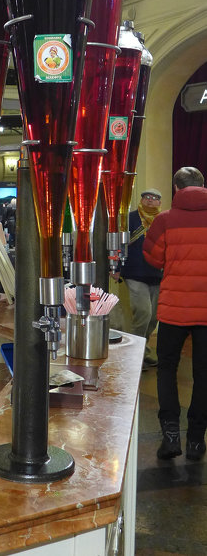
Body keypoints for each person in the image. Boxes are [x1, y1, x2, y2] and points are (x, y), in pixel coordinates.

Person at [143, 166, 207, 461]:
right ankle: (196, 440)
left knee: (166, 370)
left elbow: (153, 258)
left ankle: (170, 437)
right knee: (203, 375)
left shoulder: (165, 220)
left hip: (172, 311)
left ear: (176, 188)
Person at [118, 188, 163, 368]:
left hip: (158, 273)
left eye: (154, 198)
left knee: (154, 317)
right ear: (141, 199)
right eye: (147, 197)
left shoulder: (163, 220)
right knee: (143, 313)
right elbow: (119, 244)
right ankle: (134, 353)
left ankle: (142, 350)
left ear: (160, 202)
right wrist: (116, 267)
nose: (150, 201)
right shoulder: (130, 218)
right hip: (135, 272)